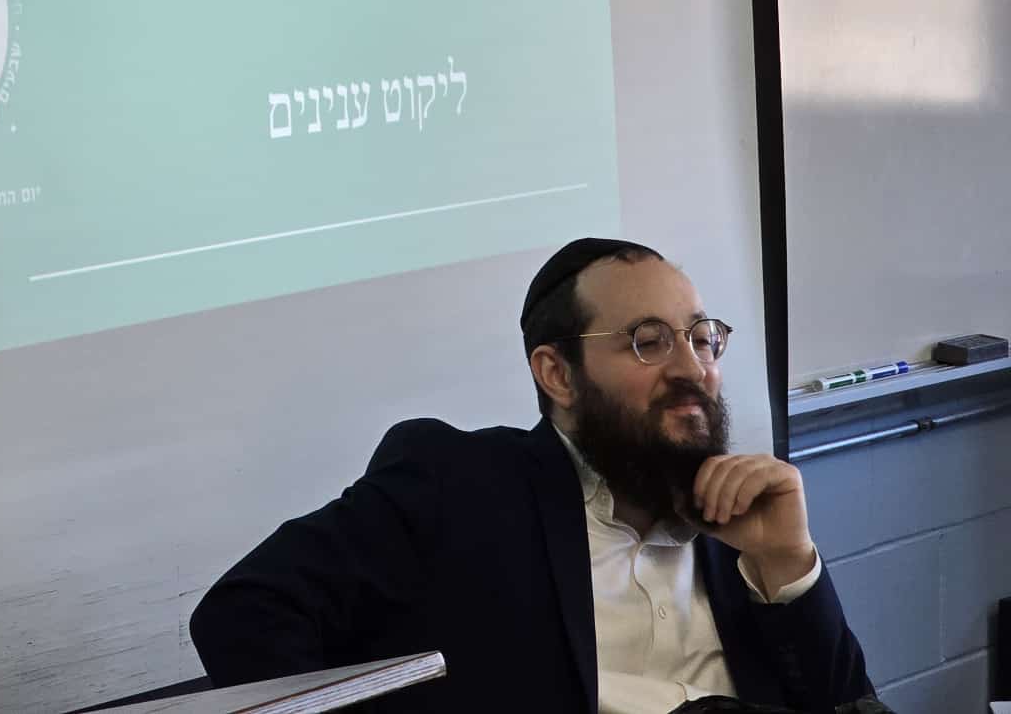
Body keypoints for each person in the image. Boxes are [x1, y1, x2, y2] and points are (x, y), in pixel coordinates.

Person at [189, 238, 873, 713]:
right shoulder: (458, 486)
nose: (692, 369)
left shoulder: (739, 518)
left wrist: (787, 564)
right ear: (557, 374)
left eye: (702, 339)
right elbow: (244, 613)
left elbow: (850, 705)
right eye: (649, 342)